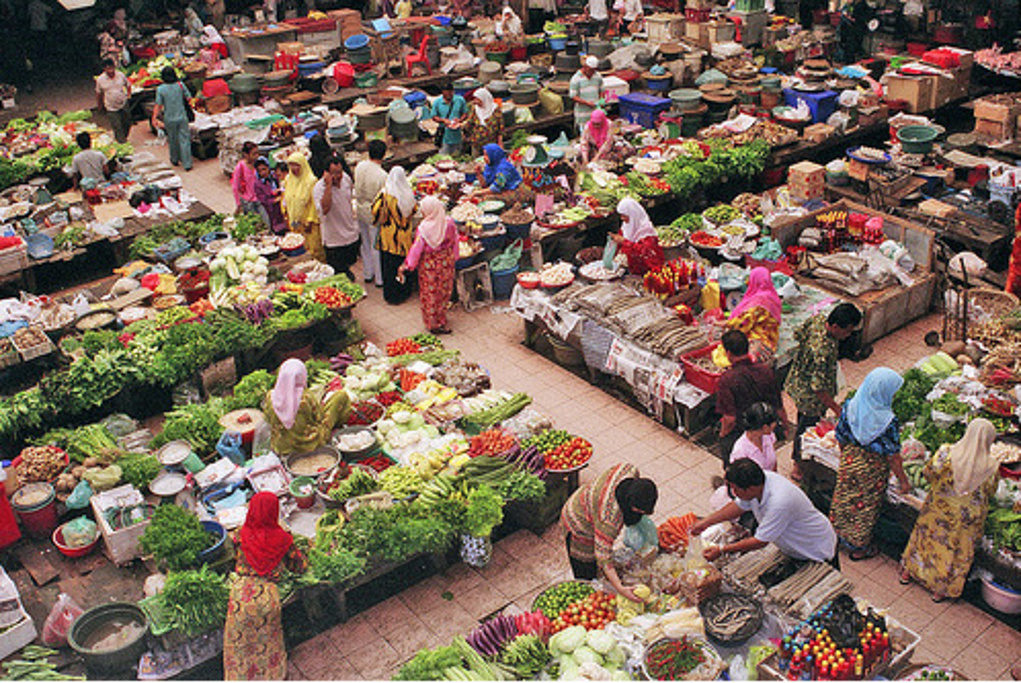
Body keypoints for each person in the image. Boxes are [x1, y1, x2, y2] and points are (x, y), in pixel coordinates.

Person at [899, 419, 999, 602]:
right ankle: (939, 590)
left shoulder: (947, 452)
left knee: (925, 540)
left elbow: (928, 474)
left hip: (938, 510)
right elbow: (991, 492)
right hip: (966, 520)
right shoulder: (992, 466)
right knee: (953, 552)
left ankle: (908, 573)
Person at [223, 491, 307, 680]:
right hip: (267, 597)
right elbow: (299, 566)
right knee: (267, 645)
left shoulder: (240, 534)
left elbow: (235, 551)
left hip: (240, 596)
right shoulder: (283, 538)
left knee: (239, 647)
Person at [829, 367, 911, 561]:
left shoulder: (850, 406)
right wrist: (904, 481)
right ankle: (859, 547)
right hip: (872, 470)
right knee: (864, 508)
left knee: (844, 499)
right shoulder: (887, 421)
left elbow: (840, 436)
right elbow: (893, 456)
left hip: (850, 460)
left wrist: (847, 457)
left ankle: (837, 535)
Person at [690, 459, 839, 565]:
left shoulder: (779, 502)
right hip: (793, 546)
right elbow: (738, 507)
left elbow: (760, 541)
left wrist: (722, 549)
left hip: (814, 549)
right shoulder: (759, 482)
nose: (733, 493)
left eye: (735, 489)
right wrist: (706, 522)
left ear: (750, 489)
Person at [784, 302, 862, 481]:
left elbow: (798, 334)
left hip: (798, 381)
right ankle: (798, 465)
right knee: (806, 429)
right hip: (810, 397)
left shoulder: (817, 320)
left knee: (802, 420)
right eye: (847, 331)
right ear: (835, 327)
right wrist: (836, 408)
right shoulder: (824, 350)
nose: (848, 335)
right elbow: (818, 388)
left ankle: (800, 459)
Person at [561, 463, 658, 602]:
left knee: (599, 563)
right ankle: (586, 595)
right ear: (631, 507)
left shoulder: (628, 470)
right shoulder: (609, 518)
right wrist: (620, 588)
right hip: (578, 521)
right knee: (585, 567)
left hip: (589, 500)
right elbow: (603, 555)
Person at [715, 330, 787, 460]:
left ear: (728, 353)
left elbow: (729, 418)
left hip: (739, 433)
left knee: (737, 470)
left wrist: (723, 435)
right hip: (764, 430)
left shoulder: (728, 379)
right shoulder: (765, 371)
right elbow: (778, 404)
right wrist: (786, 425)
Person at [262, 358, 350, 456]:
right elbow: (319, 417)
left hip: (282, 446)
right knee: (340, 397)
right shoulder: (305, 397)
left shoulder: (270, 397)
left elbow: (268, 419)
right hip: (310, 443)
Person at [399, 196, 458, 334]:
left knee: (430, 292)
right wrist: (454, 258)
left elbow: (416, 249)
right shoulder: (449, 223)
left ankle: (432, 323)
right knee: (444, 291)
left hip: (429, 265)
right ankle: (441, 319)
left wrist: (407, 265)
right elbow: (455, 240)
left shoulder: (424, 229)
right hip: (446, 263)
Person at [372, 166, 417, 305]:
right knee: (402, 266)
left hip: (389, 238)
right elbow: (414, 210)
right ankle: (404, 291)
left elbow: (374, 211)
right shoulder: (408, 194)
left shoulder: (385, 195)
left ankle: (392, 295)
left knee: (389, 268)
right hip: (404, 238)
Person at [315, 154, 360, 281]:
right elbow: (325, 209)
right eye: (334, 173)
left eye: (339, 172)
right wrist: (328, 186)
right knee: (338, 272)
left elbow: (350, 195)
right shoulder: (319, 188)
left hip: (349, 232)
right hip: (333, 238)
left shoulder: (346, 179)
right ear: (326, 173)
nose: (338, 176)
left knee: (350, 263)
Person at [723, 266, 782, 355]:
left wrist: (727, 324)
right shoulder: (771, 294)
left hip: (763, 335)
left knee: (731, 345)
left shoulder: (760, 301)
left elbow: (745, 322)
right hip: (772, 333)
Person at [355, 140, 387, 287]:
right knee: (376, 245)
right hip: (374, 211)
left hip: (359, 208)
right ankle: (380, 278)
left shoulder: (360, 166)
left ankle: (368, 273)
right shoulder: (382, 175)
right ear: (384, 155)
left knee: (365, 243)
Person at [282, 152, 324, 261]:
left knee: (314, 251)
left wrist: (309, 220)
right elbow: (285, 198)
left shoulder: (311, 181)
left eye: (296, 165)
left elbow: (314, 203)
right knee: (298, 252)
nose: (293, 168)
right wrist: (286, 213)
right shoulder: (288, 180)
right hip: (295, 223)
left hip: (308, 224)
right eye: (291, 165)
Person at [151, 66, 193, 171]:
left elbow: (158, 105)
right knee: (184, 140)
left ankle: (174, 159)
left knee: (173, 139)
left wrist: (154, 117)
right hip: (182, 117)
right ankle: (187, 164)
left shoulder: (160, 89)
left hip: (169, 118)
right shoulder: (180, 85)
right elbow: (189, 98)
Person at [611, 197, 665, 276]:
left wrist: (624, 242)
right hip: (633, 268)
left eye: (624, 216)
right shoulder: (627, 225)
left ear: (633, 214)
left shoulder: (646, 230)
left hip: (648, 272)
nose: (622, 219)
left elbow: (645, 252)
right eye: (621, 216)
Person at [730, 403, 779, 472]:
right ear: (765, 427)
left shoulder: (768, 436)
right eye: (773, 423)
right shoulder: (740, 452)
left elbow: (773, 463)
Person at [232, 141, 269, 227]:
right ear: (246, 155)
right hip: (248, 202)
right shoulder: (240, 167)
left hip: (260, 199)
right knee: (254, 225)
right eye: (254, 154)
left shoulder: (259, 163)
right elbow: (235, 187)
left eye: (257, 153)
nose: (256, 156)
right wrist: (238, 204)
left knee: (266, 222)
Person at [95, 60, 132, 144]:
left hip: (123, 103)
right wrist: (100, 105)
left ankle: (123, 137)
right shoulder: (100, 80)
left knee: (127, 122)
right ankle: (122, 141)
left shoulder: (120, 75)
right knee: (116, 125)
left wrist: (128, 95)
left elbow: (128, 84)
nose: (110, 70)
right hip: (110, 106)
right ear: (104, 69)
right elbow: (99, 93)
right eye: (107, 68)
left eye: (111, 68)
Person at [465, 88, 504, 159]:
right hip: (476, 143)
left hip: (490, 144)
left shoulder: (495, 110)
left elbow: (500, 128)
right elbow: (469, 122)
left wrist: (500, 142)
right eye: (475, 99)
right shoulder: (475, 109)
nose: (476, 102)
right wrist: (459, 125)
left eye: (478, 100)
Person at [431, 85, 468, 157]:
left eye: (451, 93)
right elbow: (434, 116)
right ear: (443, 92)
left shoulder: (460, 100)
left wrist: (460, 120)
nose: (449, 95)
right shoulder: (437, 102)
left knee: (457, 156)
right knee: (443, 157)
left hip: (457, 136)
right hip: (444, 136)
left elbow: (465, 113)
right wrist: (443, 120)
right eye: (447, 93)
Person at [570, 56, 604, 133]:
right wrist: (586, 103)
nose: (592, 72)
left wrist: (601, 100)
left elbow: (602, 90)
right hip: (582, 114)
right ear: (585, 67)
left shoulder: (597, 76)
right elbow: (573, 96)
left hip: (595, 114)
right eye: (590, 70)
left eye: (594, 70)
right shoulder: (576, 78)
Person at [254, 157, 287, 235]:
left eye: (264, 169)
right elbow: (263, 200)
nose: (263, 172)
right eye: (260, 171)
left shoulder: (275, 176)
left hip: (282, 208)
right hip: (271, 212)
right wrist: (275, 199)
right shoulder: (258, 184)